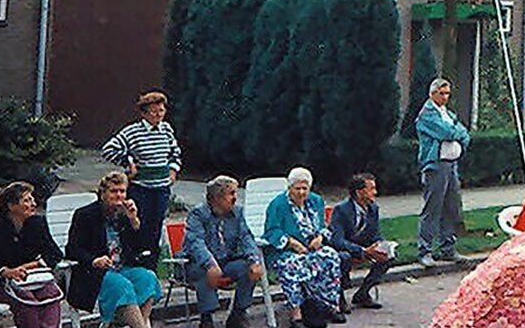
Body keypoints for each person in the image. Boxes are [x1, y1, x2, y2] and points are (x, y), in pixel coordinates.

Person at [66, 171, 161, 328]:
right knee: (122, 286)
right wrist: (94, 260)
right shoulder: (85, 215)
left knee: (148, 278)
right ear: (103, 193)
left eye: (122, 191)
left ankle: (139, 324)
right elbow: (72, 249)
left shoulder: (126, 214)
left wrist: (134, 221)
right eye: (113, 191)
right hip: (95, 273)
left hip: (123, 267)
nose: (119, 195)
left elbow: (143, 247)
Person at [100, 90, 181, 270]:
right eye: (154, 111)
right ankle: (135, 263)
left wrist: (173, 170)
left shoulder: (166, 129)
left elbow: (175, 152)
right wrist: (128, 163)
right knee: (138, 225)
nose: (158, 115)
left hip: (161, 189)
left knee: (156, 227)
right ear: (144, 113)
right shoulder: (133, 131)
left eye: (161, 111)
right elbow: (108, 150)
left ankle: (151, 266)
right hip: (141, 188)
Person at [0, 182, 65, 328]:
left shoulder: (37, 223)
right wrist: (8, 272)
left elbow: (55, 254)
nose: (33, 204)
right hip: (0, 282)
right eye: (27, 200)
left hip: (31, 277)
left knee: (51, 294)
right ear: (11, 206)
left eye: (32, 199)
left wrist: (31, 266)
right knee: (27, 300)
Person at [263, 167, 344, 328]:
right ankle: (296, 314)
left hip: (311, 248)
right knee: (292, 265)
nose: (301, 192)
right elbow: (271, 231)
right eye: (297, 188)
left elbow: (323, 226)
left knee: (331, 257)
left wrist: (319, 238)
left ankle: (329, 305)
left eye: (304, 188)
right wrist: (292, 243)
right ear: (289, 188)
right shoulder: (278, 204)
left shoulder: (316, 201)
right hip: (284, 250)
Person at [183, 175, 262, 328]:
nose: (235, 198)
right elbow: (195, 242)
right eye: (231, 193)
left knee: (248, 268)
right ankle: (206, 319)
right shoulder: (198, 214)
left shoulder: (238, 213)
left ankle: (238, 314)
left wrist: (254, 260)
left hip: (225, 261)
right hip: (195, 263)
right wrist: (210, 263)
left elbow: (246, 237)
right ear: (217, 197)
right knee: (205, 270)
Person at [416, 77, 471, 265]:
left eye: (447, 93)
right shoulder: (427, 115)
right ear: (432, 94)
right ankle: (425, 250)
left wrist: (458, 133)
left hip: (451, 164)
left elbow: (464, 133)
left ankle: (448, 247)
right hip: (436, 165)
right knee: (433, 208)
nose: (445, 97)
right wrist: (457, 132)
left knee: (451, 207)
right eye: (441, 93)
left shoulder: (447, 113)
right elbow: (446, 132)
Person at [328, 173, 391, 312]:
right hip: (345, 249)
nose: (375, 192)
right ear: (359, 192)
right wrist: (362, 250)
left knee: (388, 256)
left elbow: (374, 233)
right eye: (371, 189)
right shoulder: (341, 210)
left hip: (364, 248)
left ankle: (363, 293)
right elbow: (337, 240)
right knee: (343, 258)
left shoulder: (373, 208)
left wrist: (381, 246)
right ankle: (339, 295)